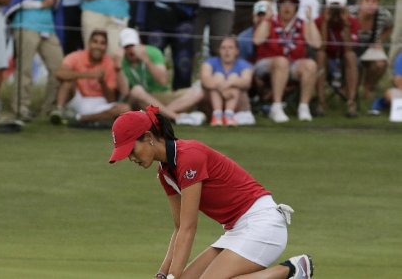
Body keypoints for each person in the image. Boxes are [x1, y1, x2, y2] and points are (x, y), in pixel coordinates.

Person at [107, 105, 314, 279]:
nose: (130, 158)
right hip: (237, 231)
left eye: (131, 150)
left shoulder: (189, 156)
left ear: (149, 137)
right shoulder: (165, 174)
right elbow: (179, 228)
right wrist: (163, 274)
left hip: (263, 224)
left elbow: (189, 227)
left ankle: (290, 271)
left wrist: (173, 277)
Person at [6, 0, 64, 120]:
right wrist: (41, 4)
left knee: (59, 69)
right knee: (25, 70)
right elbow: (15, 0)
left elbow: (53, 3)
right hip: (26, 25)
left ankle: (49, 109)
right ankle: (20, 108)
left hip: (47, 27)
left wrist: (54, 0)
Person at [115, 27, 207, 126]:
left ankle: (159, 117)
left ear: (140, 43)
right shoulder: (120, 60)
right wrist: (118, 67)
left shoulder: (152, 52)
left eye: (132, 45)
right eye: (126, 46)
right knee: (137, 90)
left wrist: (146, 60)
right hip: (138, 101)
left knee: (199, 91)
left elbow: (162, 80)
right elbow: (124, 92)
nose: (130, 50)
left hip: (161, 96)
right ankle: (176, 118)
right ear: (122, 48)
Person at [253, 0, 321, 123]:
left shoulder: (301, 24)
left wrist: (310, 20)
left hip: (293, 64)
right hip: (267, 64)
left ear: (296, 7)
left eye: (291, 4)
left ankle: (303, 106)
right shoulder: (270, 21)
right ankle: (276, 107)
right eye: (283, 4)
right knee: (282, 62)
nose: (287, 7)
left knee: (310, 65)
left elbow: (317, 44)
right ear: (278, 7)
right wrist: (267, 19)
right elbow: (257, 40)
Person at [50, 29, 130, 125]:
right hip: (78, 99)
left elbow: (111, 100)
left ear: (106, 47)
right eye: (95, 42)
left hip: (100, 103)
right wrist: (89, 75)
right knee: (67, 80)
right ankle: (59, 110)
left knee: (125, 109)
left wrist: (102, 82)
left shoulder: (109, 63)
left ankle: (79, 118)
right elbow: (59, 73)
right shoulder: (77, 56)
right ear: (89, 43)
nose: (98, 46)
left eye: (102, 43)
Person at [314, 0, 360, 117]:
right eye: (333, 9)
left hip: (343, 58)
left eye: (338, 9)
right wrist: (325, 23)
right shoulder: (319, 21)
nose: (336, 12)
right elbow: (321, 47)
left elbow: (349, 49)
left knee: (351, 56)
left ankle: (351, 103)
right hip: (326, 58)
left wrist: (346, 24)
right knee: (320, 55)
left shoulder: (352, 22)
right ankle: (321, 102)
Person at [350, 0, 393, 105]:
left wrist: (380, 40)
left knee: (381, 63)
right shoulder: (351, 13)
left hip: (370, 46)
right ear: (360, 2)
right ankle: (351, 93)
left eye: (374, 1)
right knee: (352, 62)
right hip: (352, 47)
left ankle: (367, 87)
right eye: (367, 1)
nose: (370, 4)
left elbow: (390, 26)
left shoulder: (384, 15)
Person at [201, 36, 253, 126]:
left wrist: (230, 83)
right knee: (218, 76)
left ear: (237, 51)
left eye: (230, 48)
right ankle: (218, 116)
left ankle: (228, 115)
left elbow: (246, 83)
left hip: (237, 102)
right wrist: (222, 88)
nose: (227, 51)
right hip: (213, 99)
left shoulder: (245, 65)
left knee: (234, 78)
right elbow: (205, 81)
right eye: (223, 48)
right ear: (219, 50)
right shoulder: (210, 62)